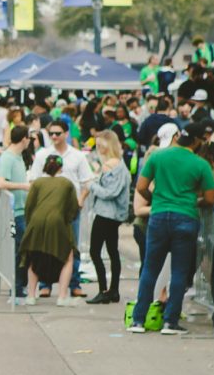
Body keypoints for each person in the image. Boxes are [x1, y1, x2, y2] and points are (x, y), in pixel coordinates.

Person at [129, 125, 214, 336]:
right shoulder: (200, 163)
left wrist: (157, 199)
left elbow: (140, 187)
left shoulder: (158, 157)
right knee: (179, 271)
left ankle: (139, 320)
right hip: (186, 217)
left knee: (150, 268)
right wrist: (194, 200)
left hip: (158, 217)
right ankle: (170, 322)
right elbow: (211, 198)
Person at [19, 155, 79, 306]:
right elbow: (72, 208)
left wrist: (30, 222)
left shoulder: (38, 183)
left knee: (33, 257)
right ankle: (62, 296)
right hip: (58, 222)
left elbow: (29, 206)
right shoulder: (66, 183)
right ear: (61, 168)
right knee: (67, 257)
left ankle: (31, 296)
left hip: (36, 222)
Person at [84, 130, 131, 304]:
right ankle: (114, 290)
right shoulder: (120, 164)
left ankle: (104, 290)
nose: (98, 149)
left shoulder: (109, 165)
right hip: (115, 215)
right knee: (113, 252)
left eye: (99, 145)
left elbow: (110, 192)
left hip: (105, 213)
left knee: (95, 251)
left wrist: (91, 186)